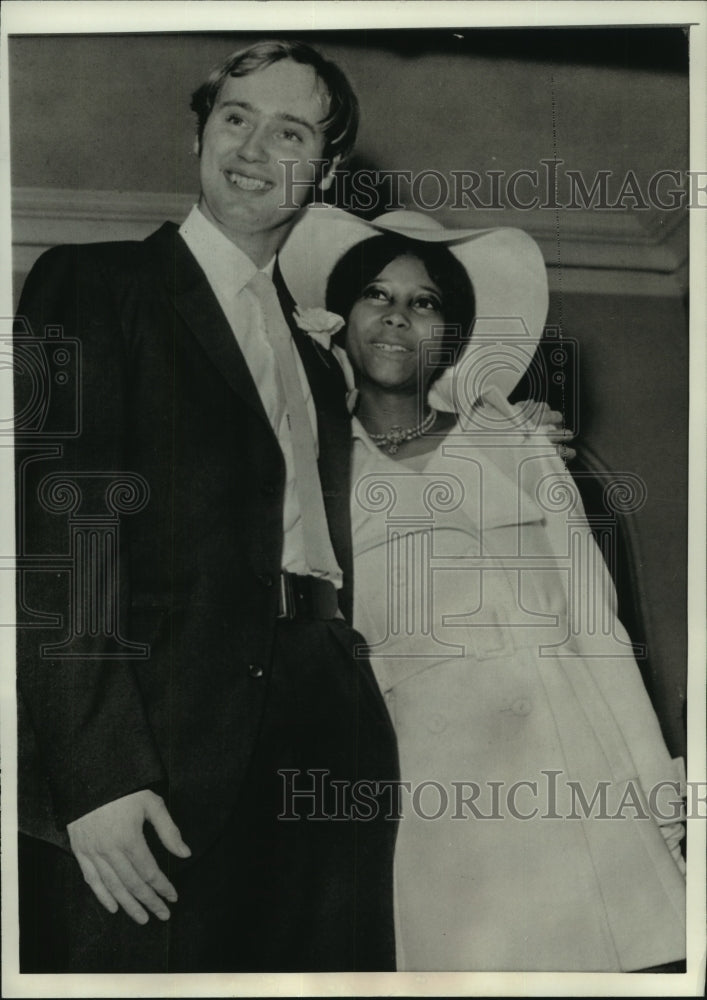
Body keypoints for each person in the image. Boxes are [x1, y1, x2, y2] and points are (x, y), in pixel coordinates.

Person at [13, 41, 400, 973]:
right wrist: (97, 775)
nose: (253, 148)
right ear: (199, 134)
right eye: (235, 118)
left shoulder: (317, 358)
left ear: (325, 170)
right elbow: (64, 536)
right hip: (159, 738)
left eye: (290, 130)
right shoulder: (96, 284)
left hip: (324, 720)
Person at [279, 206, 687, 972]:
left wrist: (652, 787)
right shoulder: (311, 475)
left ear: (451, 333)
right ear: (338, 319)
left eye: (424, 301)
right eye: (376, 294)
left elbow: (597, 627)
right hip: (434, 808)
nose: (398, 316)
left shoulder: (518, 443)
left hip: (577, 782)